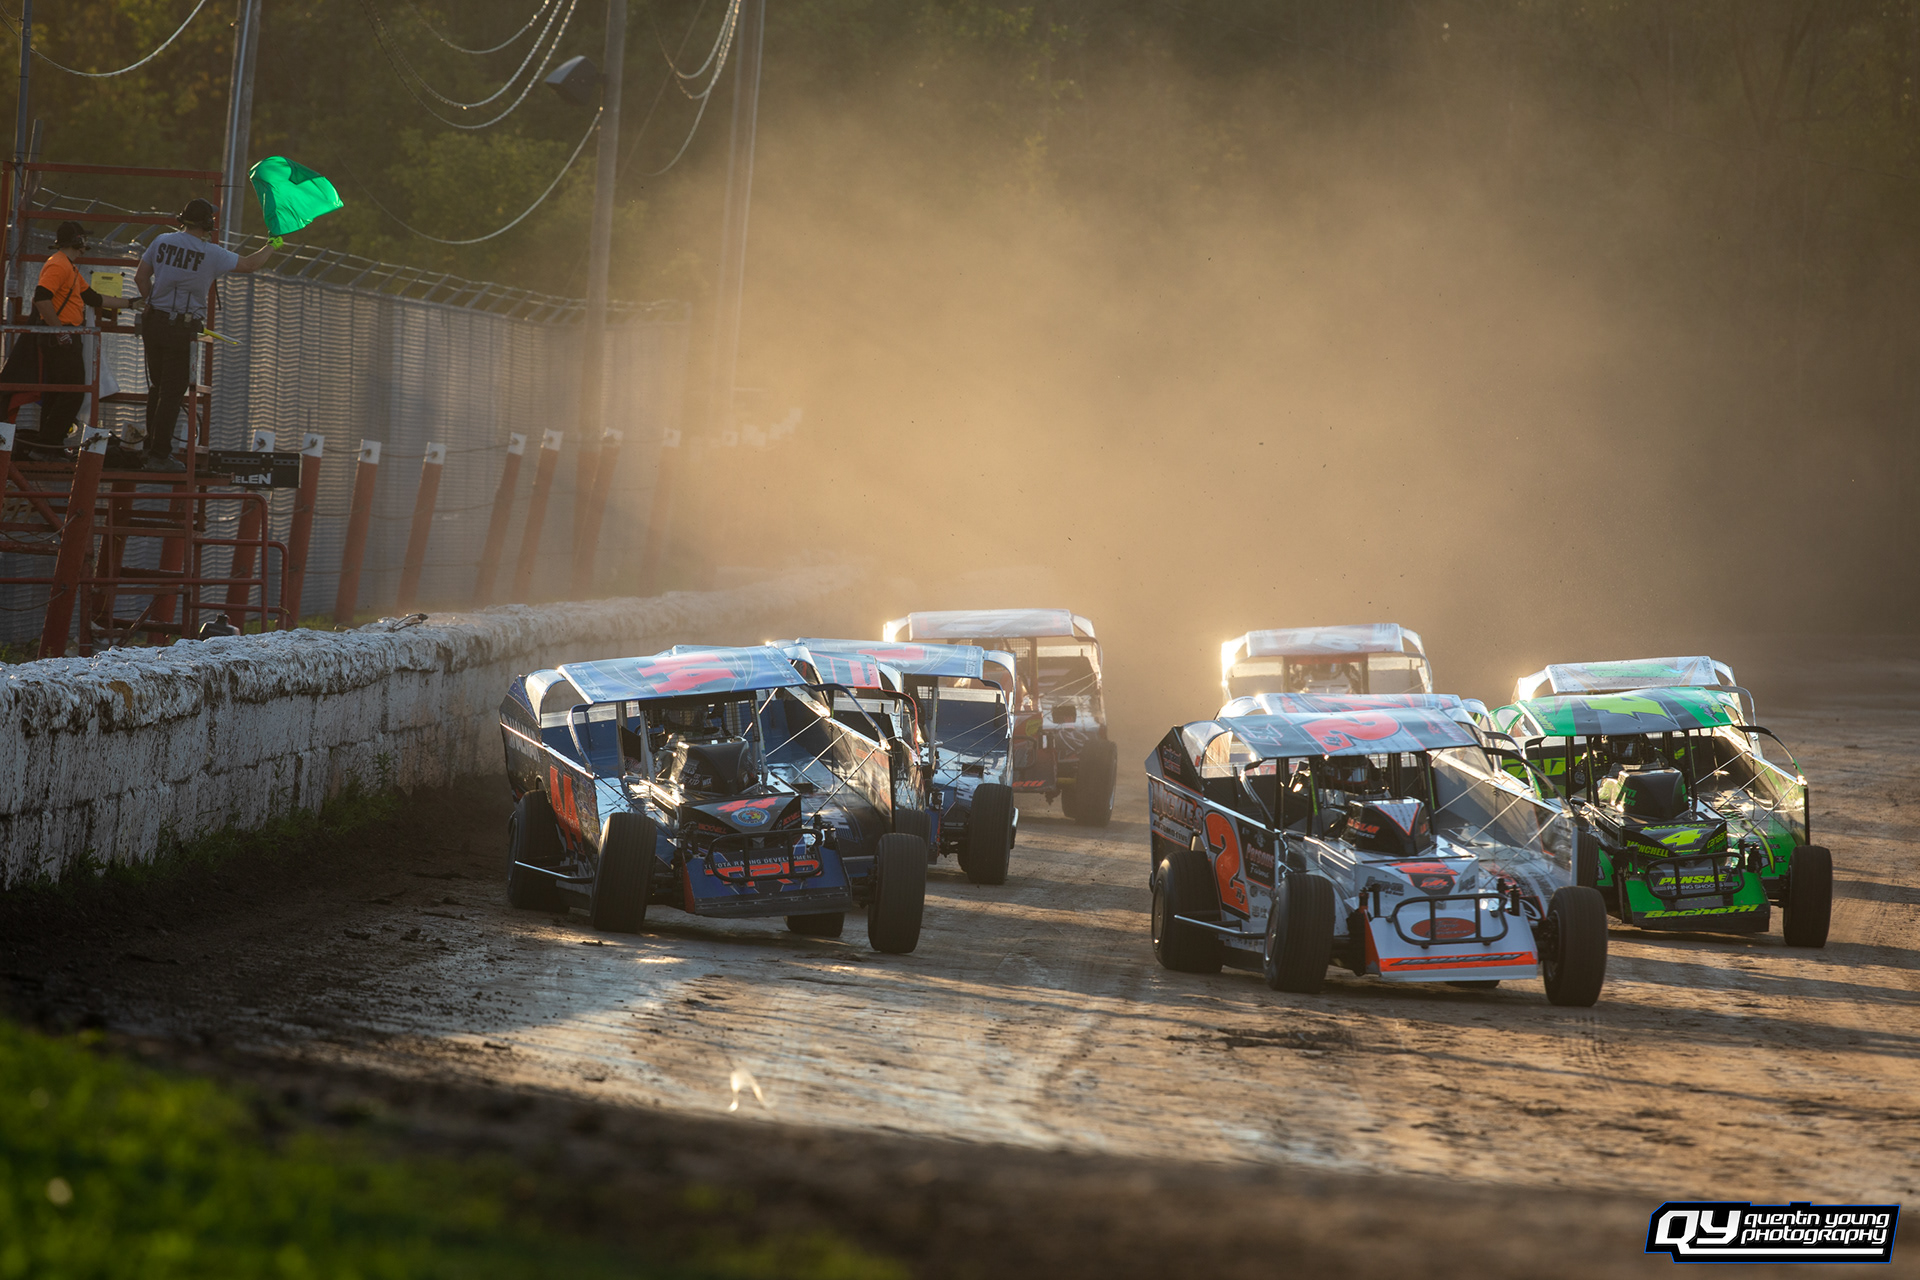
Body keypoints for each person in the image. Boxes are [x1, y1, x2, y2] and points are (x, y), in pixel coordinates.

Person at [132, 198, 272, 473]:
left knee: (157, 388)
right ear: (208, 223)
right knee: (172, 394)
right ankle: (160, 455)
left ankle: (150, 449)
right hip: (182, 327)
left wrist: (152, 302)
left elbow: (140, 278)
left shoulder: (161, 241)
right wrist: (272, 246)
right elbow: (249, 265)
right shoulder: (212, 253)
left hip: (154, 322)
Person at [0, 221, 120, 459]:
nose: (86, 245)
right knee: (73, 392)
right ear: (78, 240)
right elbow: (41, 298)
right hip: (62, 338)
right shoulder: (58, 265)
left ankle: (45, 447)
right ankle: (48, 444)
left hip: (63, 337)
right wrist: (59, 331)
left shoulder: (69, 268)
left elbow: (93, 298)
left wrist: (131, 303)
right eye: (83, 239)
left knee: (59, 391)